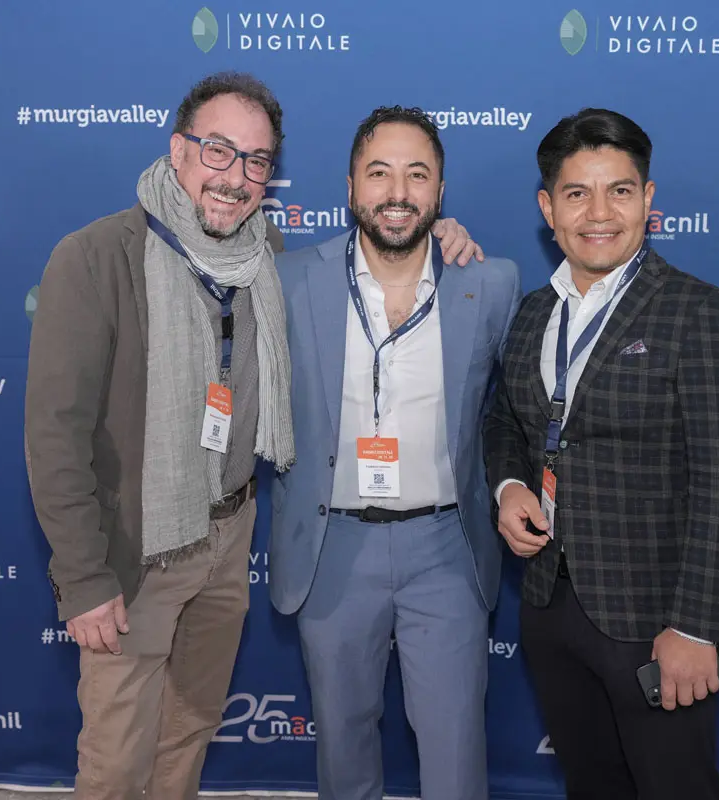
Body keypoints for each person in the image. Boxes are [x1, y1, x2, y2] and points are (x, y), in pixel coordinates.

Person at [24, 73, 481, 799]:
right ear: (178, 150)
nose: (235, 177)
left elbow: (389, 252)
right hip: (137, 546)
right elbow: (54, 437)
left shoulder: (264, 255)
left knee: (189, 730)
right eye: (218, 150)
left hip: (228, 537)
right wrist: (83, 579)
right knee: (117, 753)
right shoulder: (96, 258)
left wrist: (443, 235)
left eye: (256, 160)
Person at [483, 108, 719, 800]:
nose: (599, 213)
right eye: (577, 193)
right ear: (549, 208)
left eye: (620, 190)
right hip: (549, 605)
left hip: (655, 620)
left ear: (648, 200)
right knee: (592, 784)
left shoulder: (703, 315)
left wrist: (695, 628)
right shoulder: (533, 312)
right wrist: (510, 486)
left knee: (676, 787)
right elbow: (504, 420)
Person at [268, 106, 521, 800]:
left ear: (440, 191)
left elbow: (513, 414)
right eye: (379, 173)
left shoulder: (489, 283)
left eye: (418, 174)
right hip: (331, 546)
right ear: (351, 186)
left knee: (455, 750)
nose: (398, 192)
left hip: (445, 548)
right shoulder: (290, 280)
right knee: (343, 748)